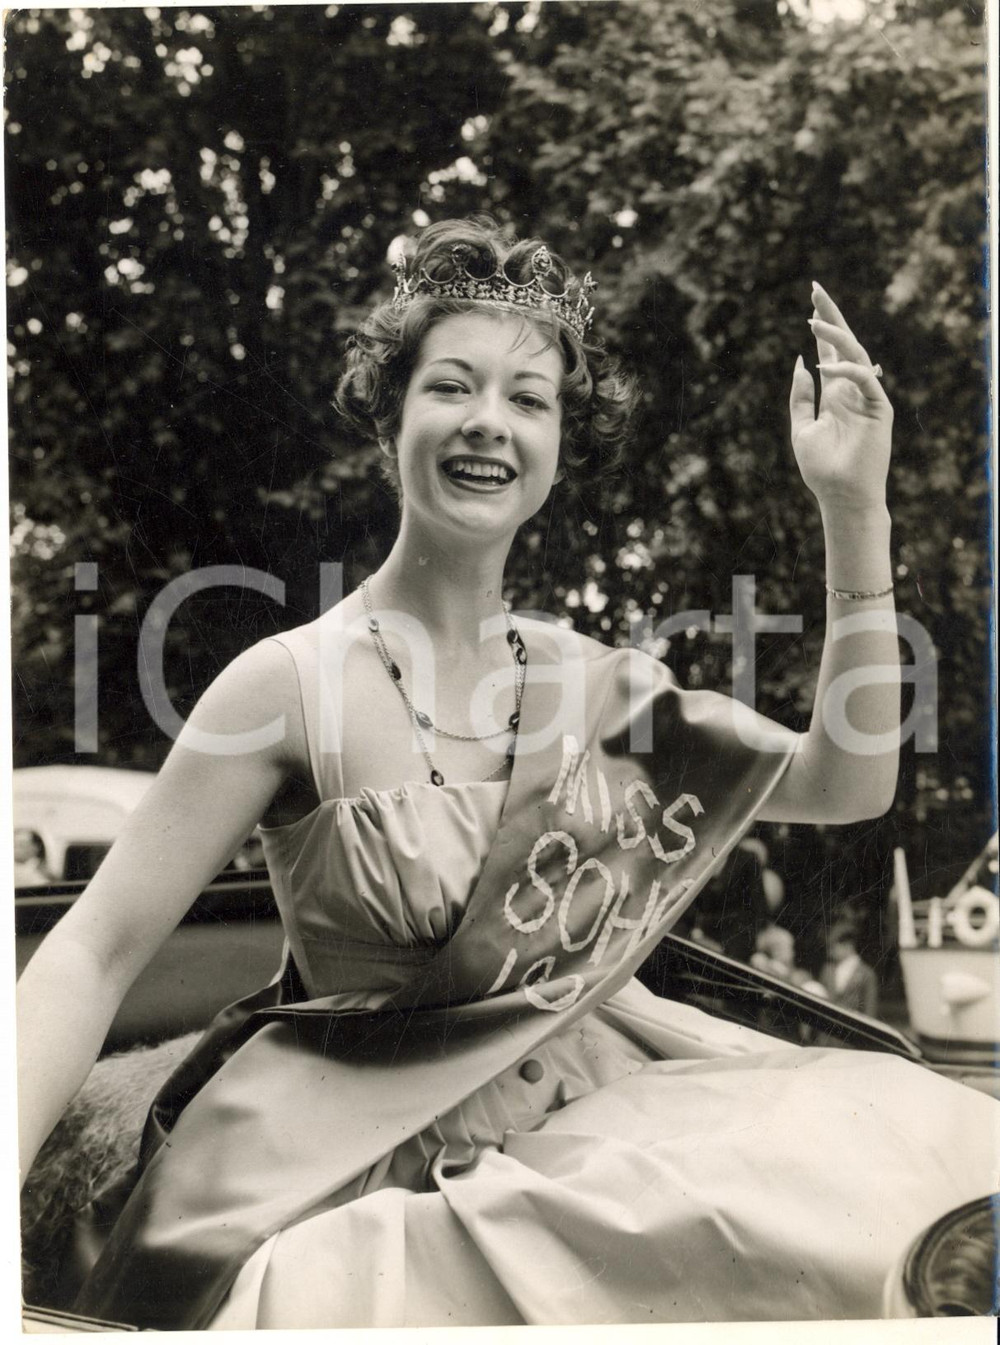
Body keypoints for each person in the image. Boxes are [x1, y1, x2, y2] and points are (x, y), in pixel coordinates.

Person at [16, 216, 998, 1328]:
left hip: (615, 1113)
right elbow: (92, 953)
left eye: (528, 400)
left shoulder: (601, 684)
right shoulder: (284, 685)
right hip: (367, 1153)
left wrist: (851, 506)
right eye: (452, 386)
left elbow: (847, 782)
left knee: (922, 1172)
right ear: (390, 418)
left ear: (558, 448)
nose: (489, 423)